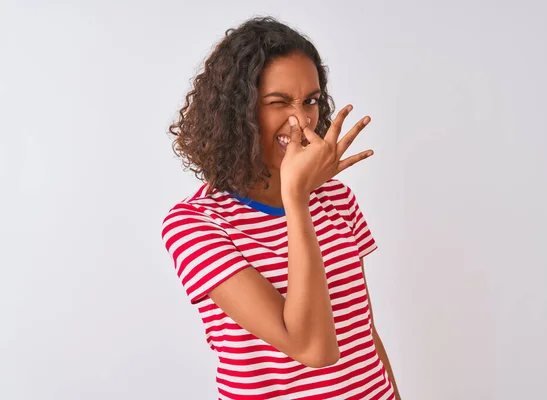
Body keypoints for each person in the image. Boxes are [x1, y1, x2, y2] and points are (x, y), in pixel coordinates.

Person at [161, 16, 401, 400]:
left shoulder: (337, 199)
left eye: (311, 101)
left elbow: (361, 330)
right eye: (279, 102)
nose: (302, 120)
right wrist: (297, 200)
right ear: (238, 112)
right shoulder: (195, 224)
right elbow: (314, 349)